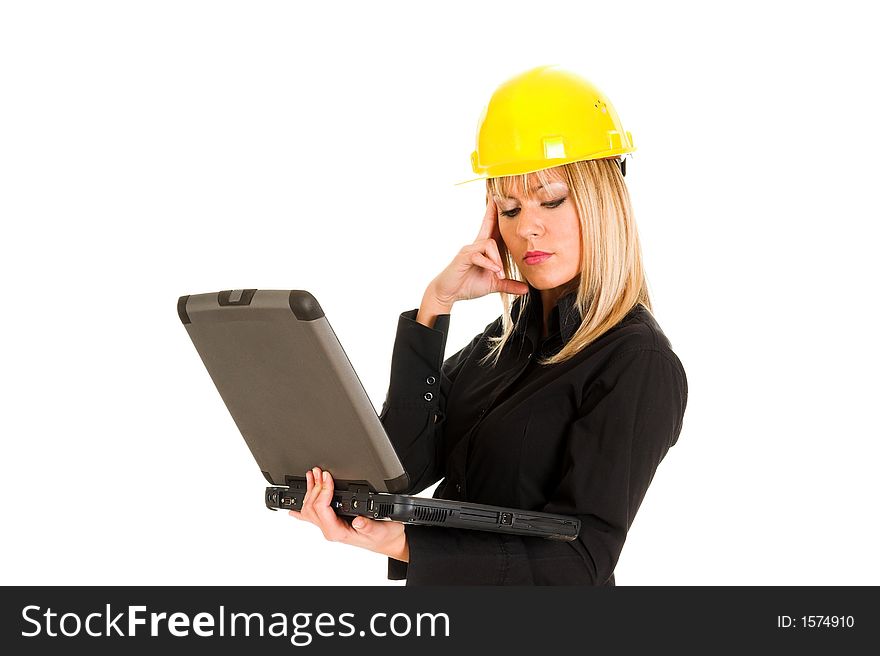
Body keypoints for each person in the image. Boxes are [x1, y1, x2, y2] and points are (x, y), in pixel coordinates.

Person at [287, 65, 688, 585]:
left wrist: (408, 544)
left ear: (603, 200)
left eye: (551, 199)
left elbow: (581, 561)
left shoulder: (636, 363)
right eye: (509, 207)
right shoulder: (501, 346)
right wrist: (434, 309)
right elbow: (397, 473)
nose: (528, 226)